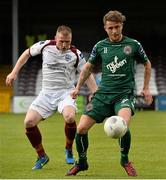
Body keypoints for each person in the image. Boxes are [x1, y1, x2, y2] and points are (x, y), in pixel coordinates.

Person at [66, 10, 153, 177]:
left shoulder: (133, 44)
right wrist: (77, 87)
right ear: (105, 28)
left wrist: (146, 88)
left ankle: (125, 160)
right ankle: (82, 162)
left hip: (124, 95)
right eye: (111, 28)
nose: (114, 31)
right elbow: (87, 68)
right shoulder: (100, 46)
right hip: (103, 94)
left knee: (122, 125)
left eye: (117, 27)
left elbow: (147, 64)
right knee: (81, 128)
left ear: (122, 26)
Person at [6, 25, 97, 170]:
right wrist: (14, 72)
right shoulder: (45, 45)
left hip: (66, 93)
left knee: (70, 117)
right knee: (29, 122)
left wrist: (95, 91)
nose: (64, 45)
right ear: (55, 38)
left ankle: (68, 149)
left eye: (67, 41)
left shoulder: (75, 53)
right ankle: (42, 156)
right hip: (46, 93)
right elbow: (27, 53)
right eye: (61, 41)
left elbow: (86, 72)